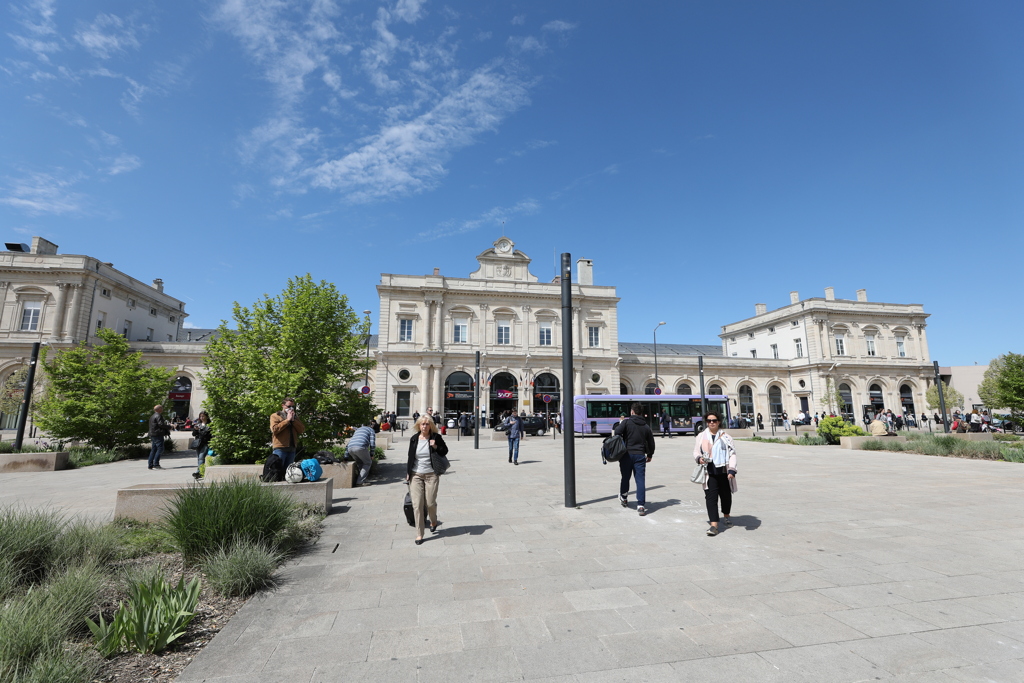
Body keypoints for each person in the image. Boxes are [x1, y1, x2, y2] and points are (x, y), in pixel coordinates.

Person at [406, 416, 449, 545]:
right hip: (416, 474)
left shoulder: (436, 437)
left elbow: (445, 451)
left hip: (431, 474)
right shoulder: (414, 439)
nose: (424, 426)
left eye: (427, 424)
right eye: (422, 424)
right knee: (417, 504)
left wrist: (435, 446)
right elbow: (410, 456)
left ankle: (433, 520)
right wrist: (408, 473)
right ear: (419, 426)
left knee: (430, 503)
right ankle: (419, 533)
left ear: (430, 426)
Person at [693, 411, 736, 536]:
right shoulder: (701, 436)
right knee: (711, 498)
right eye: (709, 421)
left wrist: (732, 469)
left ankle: (726, 515)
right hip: (709, 472)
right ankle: (714, 525)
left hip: (723, 471)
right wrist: (699, 458)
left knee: (726, 497)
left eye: (714, 420)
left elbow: (732, 454)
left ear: (719, 422)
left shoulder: (726, 437)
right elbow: (696, 451)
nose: (711, 423)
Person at [615, 403, 656, 516]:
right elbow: (651, 442)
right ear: (641, 413)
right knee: (640, 480)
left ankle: (624, 497)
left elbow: (617, 432)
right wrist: (650, 454)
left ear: (632, 411)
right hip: (640, 455)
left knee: (625, 477)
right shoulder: (645, 426)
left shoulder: (626, 422)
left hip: (626, 455)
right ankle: (641, 505)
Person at [270, 398, 305, 469]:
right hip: (280, 448)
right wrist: (287, 420)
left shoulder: (295, 417)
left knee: (288, 471)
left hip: (292, 448)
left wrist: (293, 420)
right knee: (278, 470)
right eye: (289, 406)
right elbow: (274, 429)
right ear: (283, 405)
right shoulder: (275, 416)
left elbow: (301, 430)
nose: (291, 408)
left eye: (293, 407)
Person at [347, 422, 376, 486]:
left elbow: (349, 443)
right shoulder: (371, 430)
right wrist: (371, 454)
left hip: (350, 448)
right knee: (367, 463)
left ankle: (360, 479)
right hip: (360, 447)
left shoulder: (358, 430)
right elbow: (372, 444)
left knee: (360, 463)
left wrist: (346, 456)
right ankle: (360, 481)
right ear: (371, 426)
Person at [147, 405, 170, 470]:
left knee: (154, 449)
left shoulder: (152, 416)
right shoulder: (158, 415)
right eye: (161, 408)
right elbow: (161, 424)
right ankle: (156, 464)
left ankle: (150, 465)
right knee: (160, 449)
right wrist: (169, 426)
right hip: (158, 434)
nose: (162, 409)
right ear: (159, 409)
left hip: (153, 434)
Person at [191, 411, 212, 478]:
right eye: (200, 416)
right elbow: (194, 434)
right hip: (198, 443)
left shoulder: (210, 425)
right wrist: (195, 430)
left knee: (201, 457)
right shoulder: (198, 424)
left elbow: (210, 435)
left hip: (205, 443)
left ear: (206, 416)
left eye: (203, 416)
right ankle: (201, 472)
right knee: (199, 458)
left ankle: (198, 472)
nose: (201, 418)